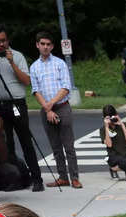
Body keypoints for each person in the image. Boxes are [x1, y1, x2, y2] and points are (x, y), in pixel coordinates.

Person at [0, 24, 43, 192]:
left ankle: (37, 179)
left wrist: (11, 62)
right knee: (5, 143)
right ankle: (14, 177)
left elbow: (27, 81)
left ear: (8, 40)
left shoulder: (17, 56)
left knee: (25, 140)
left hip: (16, 104)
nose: (1, 44)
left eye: (3, 40)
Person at [30, 31, 82, 189]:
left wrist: (50, 104)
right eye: (42, 44)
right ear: (37, 45)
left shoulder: (60, 64)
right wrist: (47, 110)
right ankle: (62, 177)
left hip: (62, 107)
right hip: (46, 110)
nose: (45, 47)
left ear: (52, 46)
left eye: (48, 44)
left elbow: (66, 87)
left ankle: (75, 177)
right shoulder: (34, 67)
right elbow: (36, 90)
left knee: (68, 145)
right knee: (55, 146)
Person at [100, 105, 126, 181]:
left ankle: (114, 169)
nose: (111, 120)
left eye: (112, 117)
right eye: (108, 118)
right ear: (104, 118)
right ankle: (114, 167)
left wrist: (122, 125)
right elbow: (109, 144)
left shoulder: (125, 125)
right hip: (114, 156)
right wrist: (107, 127)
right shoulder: (103, 129)